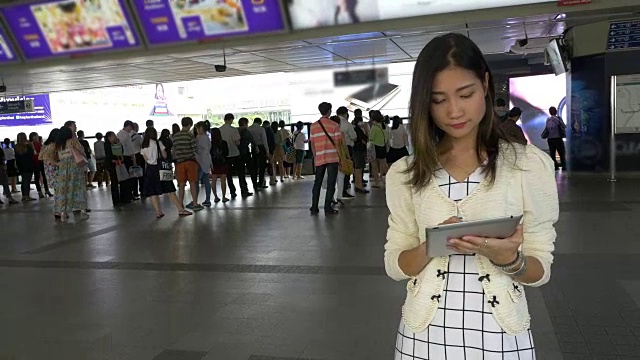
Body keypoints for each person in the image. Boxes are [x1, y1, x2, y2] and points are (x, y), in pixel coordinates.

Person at [385, 33, 558, 359]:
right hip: (422, 339)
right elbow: (396, 265)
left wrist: (510, 259)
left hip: (502, 340)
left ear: (486, 85)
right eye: (438, 100)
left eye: (465, 94)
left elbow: (541, 269)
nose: (454, 111)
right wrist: (432, 245)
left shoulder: (528, 166)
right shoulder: (405, 174)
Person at [140, 127, 192, 218]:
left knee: (153, 192)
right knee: (170, 190)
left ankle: (158, 212)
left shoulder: (143, 145)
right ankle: (181, 209)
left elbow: (146, 159)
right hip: (160, 168)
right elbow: (164, 155)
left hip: (150, 170)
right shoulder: (158, 143)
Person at [309, 102, 342, 216]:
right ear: (329, 111)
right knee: (331, 183)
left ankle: (314, 207)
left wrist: (315, 157)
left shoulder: (313, 126)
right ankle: (328, 208)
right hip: (332, 158)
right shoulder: (334, 125)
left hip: (319, 158)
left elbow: (312, 144)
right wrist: (340, 157)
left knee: (317, 183)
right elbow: (338, 143)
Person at [53, 126, 89, 220]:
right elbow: (81, 151)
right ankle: (82, 210)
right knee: (78, 188)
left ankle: (62, 213)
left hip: (63, 169)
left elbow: (55, 156)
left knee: (63, 190)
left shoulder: (58, 144)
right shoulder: (72, 141)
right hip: (75, 169)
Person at [173, 117, 204, 211]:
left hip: (179, 163)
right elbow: (194, 149)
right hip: (191, 162)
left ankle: (180, 204)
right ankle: (194, 203)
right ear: (190, 125)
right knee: (193, 183)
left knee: (181, 184)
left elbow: (174, 149)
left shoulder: (175, 136)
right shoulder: (190, 136)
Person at [220, 113, 251, 198]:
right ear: (231, 120)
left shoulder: (220, 130)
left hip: (225, 155)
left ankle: (232, 191)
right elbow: (237, 142)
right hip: (235, 153)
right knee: (241, 173)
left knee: (229, 174)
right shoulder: (234, 129)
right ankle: (244, 191)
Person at [336, 106, 356, 198]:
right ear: (345, 113)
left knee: (337, 171)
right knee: (346, 168)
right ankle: (344, 189)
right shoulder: (348, 124)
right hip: (346, 148)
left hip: (335, 149)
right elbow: (354, 137)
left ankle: (337, 192)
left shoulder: (333, 122)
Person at [117, 120, 137, 203]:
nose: (131, 130)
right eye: (131, 128)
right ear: (128, 126)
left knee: (126, 178)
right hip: (126, 158)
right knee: (128, 177)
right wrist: (133, 158)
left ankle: (127, 196)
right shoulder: (124, 135)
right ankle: (128, 196)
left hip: (124, 158)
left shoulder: (120, 134)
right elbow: (129, 148)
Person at [14, 133, 37, 202]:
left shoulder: (16, 147)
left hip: (20, 166)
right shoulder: (28, 146)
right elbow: (34, 153)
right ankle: (27, 196)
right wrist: (31, 144)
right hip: (28, 165)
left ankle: (24, 196)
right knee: (27, 181)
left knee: (23, 181)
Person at [194, 122, 213, 207]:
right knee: (206, 181)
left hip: (201, 161)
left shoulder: (201, 138)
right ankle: (208, 199)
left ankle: (195, 201)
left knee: (196, 181)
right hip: (206, 161)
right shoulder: (206, 137)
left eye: (199, 129)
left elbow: (201, 151)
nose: (197, 130)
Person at [248, 117, 269, 189]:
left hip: (253, 148)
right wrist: (267, 152)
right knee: (262, 166)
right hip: (261, 148)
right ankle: (260, 183)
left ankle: (254, 184)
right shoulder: (261, 129)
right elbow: (265, 141)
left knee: (254, 166)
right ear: (260, 122)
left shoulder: (249, 128)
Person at [369, 111, 388, 188]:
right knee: (383, 165)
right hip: (383, 147)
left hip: (375, 147)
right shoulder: (384, 126)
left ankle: (376, 181)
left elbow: (371, 138)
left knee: (374, 166)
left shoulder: (374, 127)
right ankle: (384, 178)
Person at [238, 117, 258, 192]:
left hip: (238, 154)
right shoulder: (246, 131)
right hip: (246, 153)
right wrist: (255, 147)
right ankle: (255, 186)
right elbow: (252, 140)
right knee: (251, 170)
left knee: (241, 173)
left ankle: (244, 190)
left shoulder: (236, 131)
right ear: (245, 124)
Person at [544, 106, 567, 171]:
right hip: (558, 138)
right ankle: (564, 166)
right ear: (556, 111)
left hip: (550, 139)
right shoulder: (558, 119)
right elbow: (563, 126)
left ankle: (555, 166)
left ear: (550, 112)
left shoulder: (548, 119)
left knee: (552, 153)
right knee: (561, 153)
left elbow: (547, 128)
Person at [210, 128, 230, 203]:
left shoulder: (210, 143)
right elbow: (227, 153)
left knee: (214, 181)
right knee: (223, 181)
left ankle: (215, 197)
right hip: (223, 163)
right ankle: (224, 197)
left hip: (214, 164)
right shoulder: (224, 143)